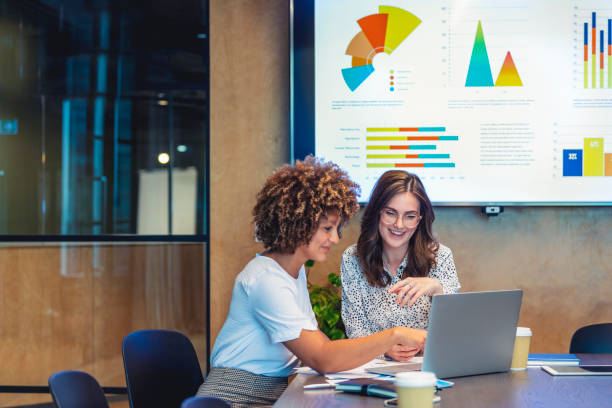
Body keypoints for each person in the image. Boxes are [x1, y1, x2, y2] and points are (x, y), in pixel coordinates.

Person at [197, 157, 427, 407]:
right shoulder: (265, 280)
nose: (335, 238)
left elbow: (321, 347)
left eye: (336, 229)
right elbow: (322, 358)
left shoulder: (292, 272)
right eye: (327, 228)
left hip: (271, 393)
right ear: (299, 225)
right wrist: (396, 335)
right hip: (235, 397)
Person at [341, 170, 460, 362]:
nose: (399, 224)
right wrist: (384, 349)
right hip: (375, 369)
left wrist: (437, 289)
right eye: (390, 213)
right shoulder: (353, 258)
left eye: (410, 216)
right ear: (377, 212)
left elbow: (455, 331)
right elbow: (355, 330)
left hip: (428, 368)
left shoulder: (441, 256)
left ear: (420, 219)